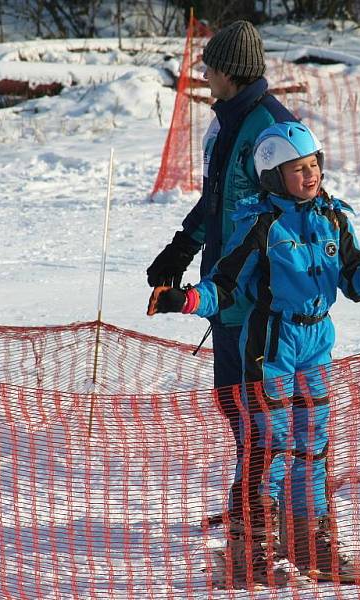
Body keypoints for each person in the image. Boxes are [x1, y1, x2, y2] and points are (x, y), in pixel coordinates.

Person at [147, 121, 360, 588]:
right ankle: (251, 548)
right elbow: (224, 284)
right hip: (271, 342)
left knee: (312, 442)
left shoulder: (334, 218)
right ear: (273, 175)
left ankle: (309, 544)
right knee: (270, 443)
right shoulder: (259, 223)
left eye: (314, 165)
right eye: (297, 169)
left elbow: (351, 279)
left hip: (318, 339)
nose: (310, 176)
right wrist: (187, 299)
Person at [146, 20, 297, 459]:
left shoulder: (273, 129)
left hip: (260, 297)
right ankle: (251, 504)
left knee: (263, 409)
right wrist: (182, 247)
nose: (205, 75)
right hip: (224, 290)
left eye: (210, 68)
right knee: (233, 400)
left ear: (229, 73)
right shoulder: (223, 126)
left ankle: (277, 508)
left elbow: (300, 213)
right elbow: (217, 199)